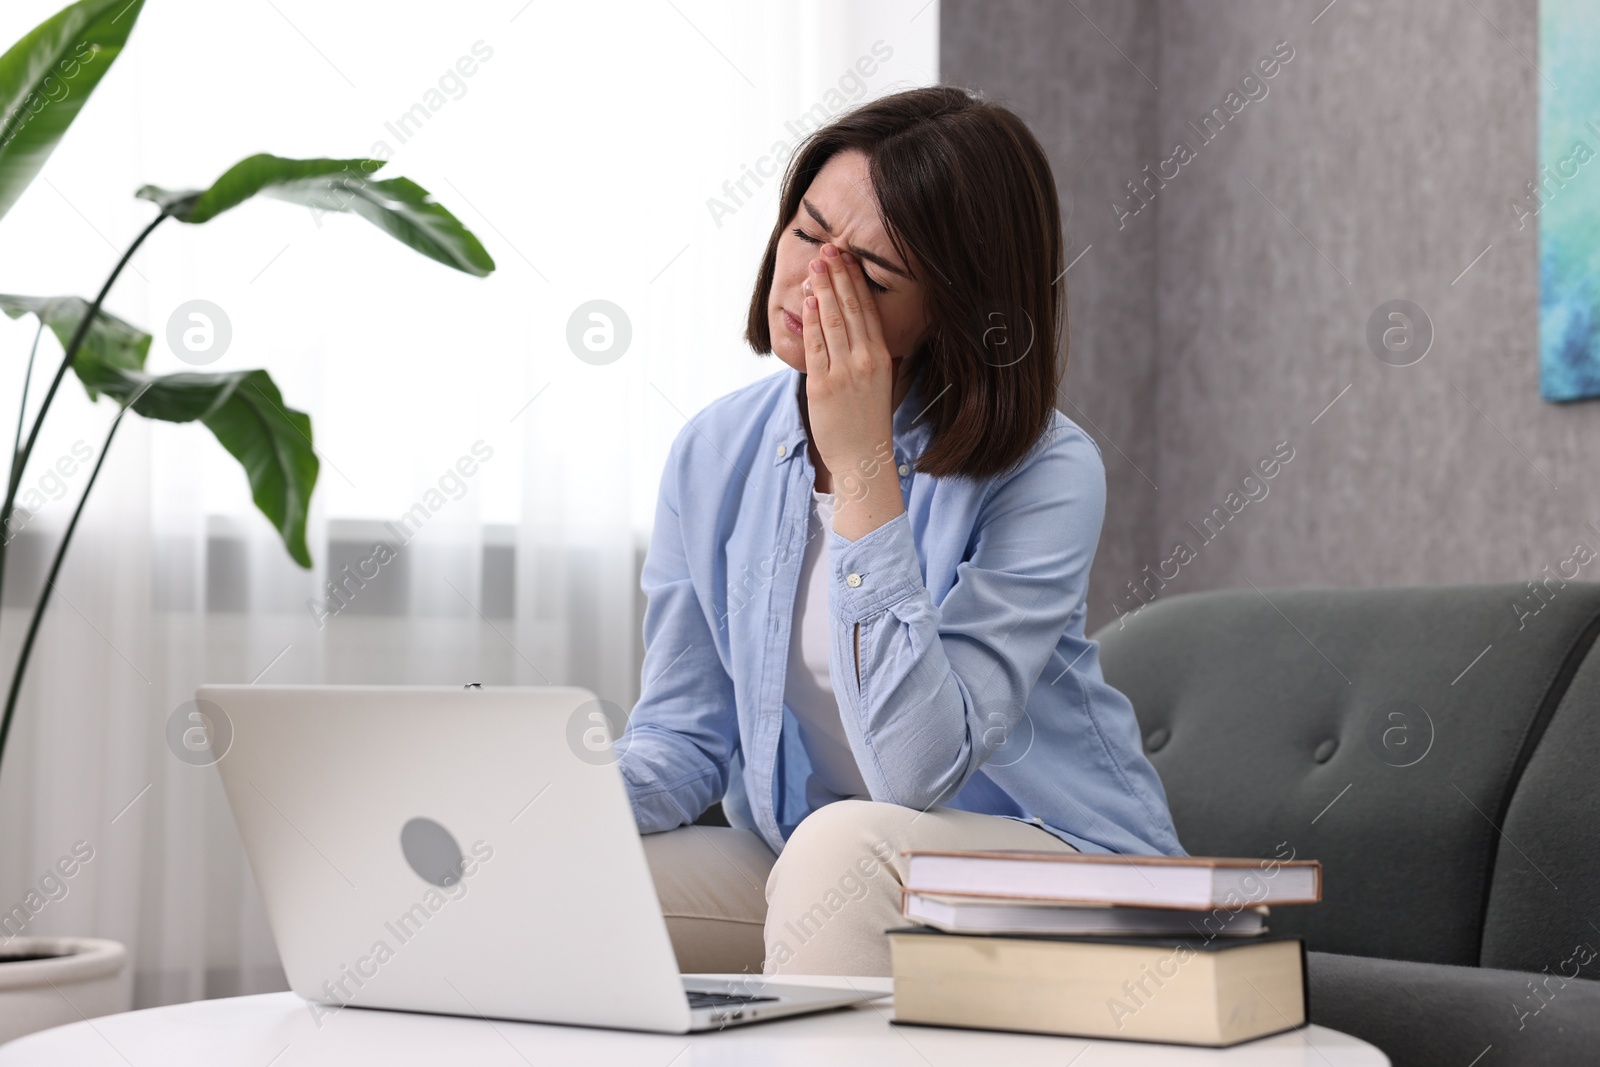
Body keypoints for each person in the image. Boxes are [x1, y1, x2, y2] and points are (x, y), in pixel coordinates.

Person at [616, 85, 1183, 978]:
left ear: (952, 312)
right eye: (806, 235)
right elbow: (684, 739)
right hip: (821, 865)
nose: (813, 282)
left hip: (1062, 869)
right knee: (566, 875)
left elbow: (918, 772)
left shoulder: (1047, 470)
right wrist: (550, 803)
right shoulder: (715, 450)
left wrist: (860, 472)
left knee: (841, 848)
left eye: (870, 277)